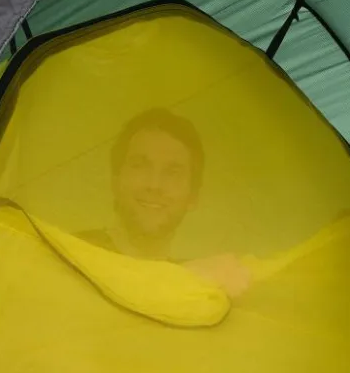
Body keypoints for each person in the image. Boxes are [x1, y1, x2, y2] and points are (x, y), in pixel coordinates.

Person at [80, 108, 253, 298]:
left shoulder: (202, 291)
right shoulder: (69, 256)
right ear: (115, 181)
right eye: (140, 165)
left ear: (193, 195)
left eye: (173, 173)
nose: (154, 185)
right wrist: (183, 279)